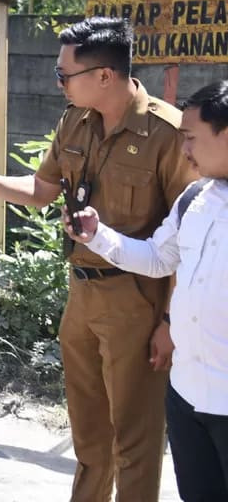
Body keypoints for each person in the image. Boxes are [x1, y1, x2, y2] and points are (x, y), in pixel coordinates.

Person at [0, 17, 197, 501]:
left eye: (64, 75)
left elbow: (187, 241)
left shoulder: (168, 133)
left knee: (135, 444)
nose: (57, 83)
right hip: (81, 297)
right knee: (90, 440)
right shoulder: (74, 120)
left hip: (137, 304)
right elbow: (41, 192)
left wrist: (169, 321)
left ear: (105, 75)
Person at [66, 80, 228, 502]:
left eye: (191, 138)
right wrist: (96, 235)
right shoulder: (195, 199)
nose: (184, 149)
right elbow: (157, 258)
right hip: (188, 396)